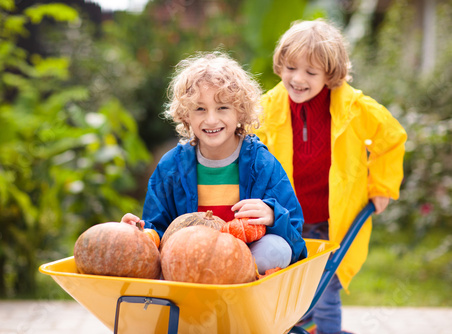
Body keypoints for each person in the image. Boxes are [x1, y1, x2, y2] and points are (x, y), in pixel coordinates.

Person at [254, 19, 407, 334]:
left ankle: (327, 329)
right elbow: (249, 154)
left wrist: (380, 187)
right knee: (286, 284)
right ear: (280, 64)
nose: (298, 79)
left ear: (330, 76)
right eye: (291, 68)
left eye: (311, 73)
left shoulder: (355, 109)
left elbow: (391, 139)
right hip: (284, 217)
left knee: (325, 285)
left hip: (332, 219)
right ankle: (300, 326)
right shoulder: (266, 110)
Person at [121, 51, 307, 272]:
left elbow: (295, 232)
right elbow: (158, 230)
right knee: (156, 263)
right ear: (186, 115)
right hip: (187, 261)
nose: (211, 119)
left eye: (222, 108)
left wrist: (272, 215)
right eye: (200, 109)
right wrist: (139, 233)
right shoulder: (171, 167)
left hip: (243, 261)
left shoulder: (262, 164)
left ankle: (235, 285)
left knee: (277, 249)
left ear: (240, 112)